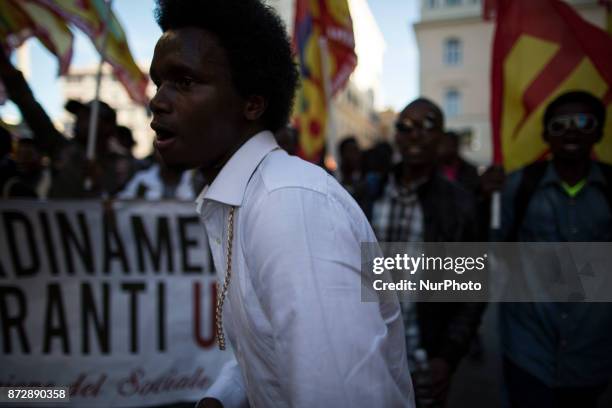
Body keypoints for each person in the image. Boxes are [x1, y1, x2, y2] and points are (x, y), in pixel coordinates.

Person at [149, 1, 414, 407]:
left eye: (184, 82)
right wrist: (222, 397)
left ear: (252, 104)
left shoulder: (287, 206)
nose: (158, 101)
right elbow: (269, 345)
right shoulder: (241, 198)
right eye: (158, 83)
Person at [498, 91, 612, 408]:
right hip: (528, 350)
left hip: (593, 353)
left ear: (599, 132)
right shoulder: (516, 187)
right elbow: (494, 252)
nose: (571, 130)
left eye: (582, 121)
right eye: (559, 125)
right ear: (547, 135)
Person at [369, 98, 484, 406]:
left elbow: (471, 292)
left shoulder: (460, 206)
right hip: (362, 353)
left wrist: (446, 356)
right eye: (405, 126)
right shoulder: (367, 195)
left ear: (442, 138)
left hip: (421, 360)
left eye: (427, 126)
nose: (415, 134)